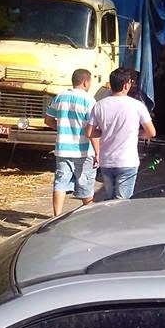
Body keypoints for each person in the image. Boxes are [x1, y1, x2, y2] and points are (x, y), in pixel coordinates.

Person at [86, 68, 156, 200]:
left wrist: (102, 131)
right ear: (126, 85)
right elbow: (151, 132)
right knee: (122, 203)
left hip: (106, 161)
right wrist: (139, 134)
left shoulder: (99, 105)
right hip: (127, 161)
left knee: (110, 199)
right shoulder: (137, 105)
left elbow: (89, 132)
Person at [45, 68, 97, 217]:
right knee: (85, 184)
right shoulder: (89, 100)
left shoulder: (60, 97)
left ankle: (57, 216)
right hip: (83, 150)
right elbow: (92, 128)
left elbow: (48, 120)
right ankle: (90, 214)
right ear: (86, 82)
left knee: (60, 183)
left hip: (62, 148)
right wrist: (98, 152)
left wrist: (60, 129)